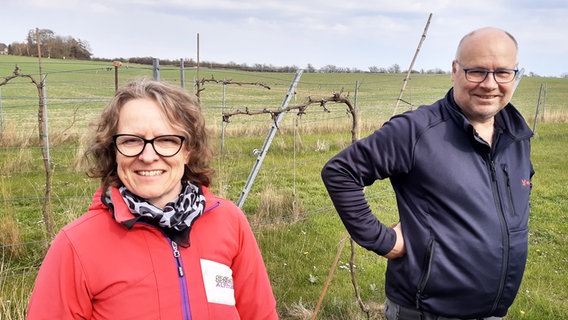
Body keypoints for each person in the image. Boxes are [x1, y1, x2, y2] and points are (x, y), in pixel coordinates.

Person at [321, 27, 533, 319]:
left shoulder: (516, 135)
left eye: (502, 73)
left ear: (516, 75)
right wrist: (383, 240)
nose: (489, 84)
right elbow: (340, 172)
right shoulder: (416, 131)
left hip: (493, 311)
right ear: (455, 71)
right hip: (426, 311)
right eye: (477, 71)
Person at [27, 79, 279, 319]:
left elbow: (260, 314)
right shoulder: (76, 244)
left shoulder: (230, 221)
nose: (148, 156)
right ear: (113, 151)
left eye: (167, 140)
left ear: (188, 150)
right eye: (131, 141)